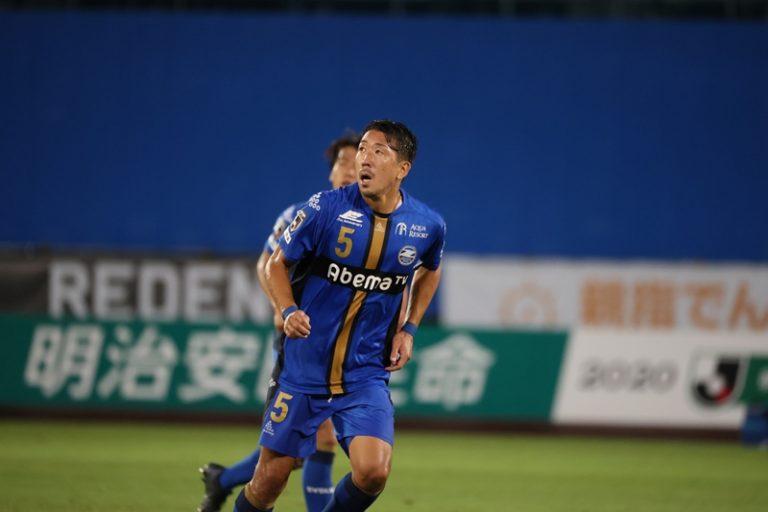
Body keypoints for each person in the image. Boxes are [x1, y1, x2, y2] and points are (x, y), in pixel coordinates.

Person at [233, 119, 446, 512]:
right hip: (303, 370)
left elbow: (431, 269)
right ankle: (226, 485)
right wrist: (288, 309)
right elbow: (275, 264)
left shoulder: (427, 225)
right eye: (363, 148)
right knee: (269, 481)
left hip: (365, 374)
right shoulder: (323, 208)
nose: (364, 158)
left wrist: (409, 328)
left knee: (374, 472)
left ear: (403, 168)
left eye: (378, 151)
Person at [197, 131, 361, 512]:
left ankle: (222, 480)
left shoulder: (374, 228)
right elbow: (266, 264)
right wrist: (281, 308)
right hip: (300, 341)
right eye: (343, 163)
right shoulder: (303, 214)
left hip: (343, 346)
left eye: (357, 164)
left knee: (293, 451)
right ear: (331, 172)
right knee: (316, 439)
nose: (350, 171)